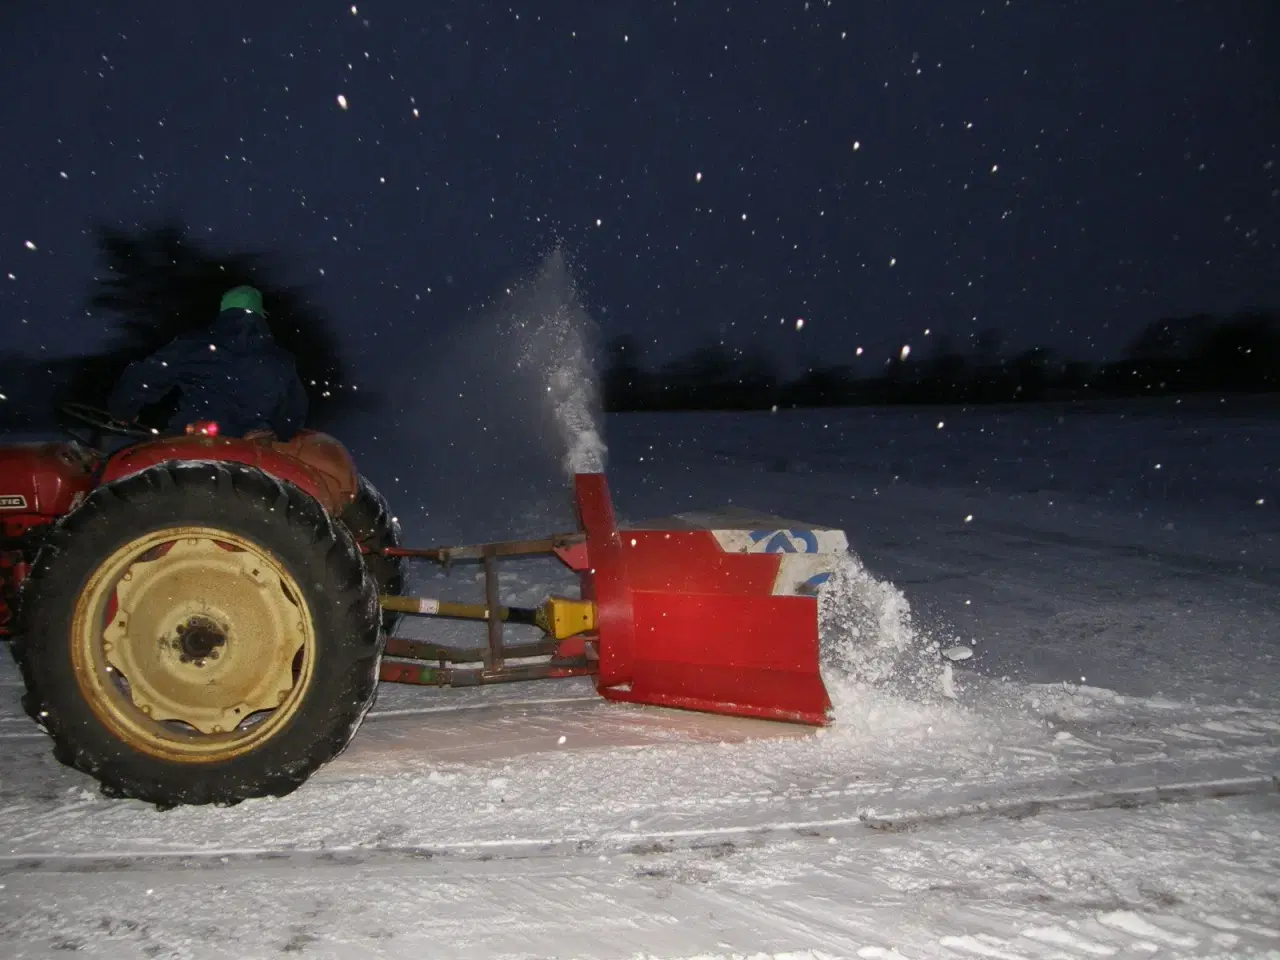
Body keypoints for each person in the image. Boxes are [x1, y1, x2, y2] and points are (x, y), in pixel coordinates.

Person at [106, 285, 309, 440]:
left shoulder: (193, 345)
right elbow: (293, 413)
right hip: (252, 449)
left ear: (224, 312)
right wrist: (276, 433)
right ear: (260, 316)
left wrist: (123, 410)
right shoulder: (281, 360)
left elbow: (144, 378)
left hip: (192, 440)